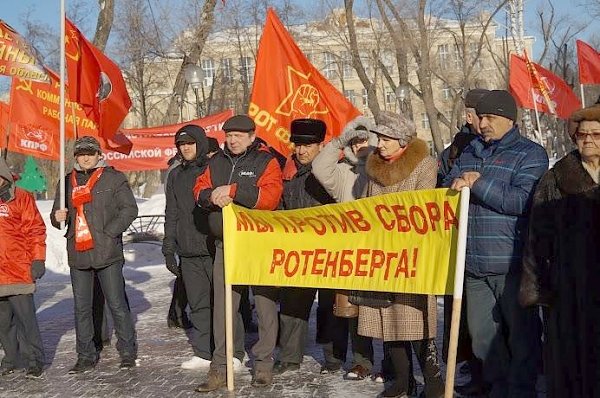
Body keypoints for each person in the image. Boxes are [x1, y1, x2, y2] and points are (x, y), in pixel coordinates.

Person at [444, 90, 548, 398]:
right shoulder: (470, 150)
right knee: (481, 338)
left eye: (489, 117)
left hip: (511, 264)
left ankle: (521, 391)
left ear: (508, 119)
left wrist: (477, 182)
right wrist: (458, 182)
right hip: (473, 265)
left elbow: (520, 200)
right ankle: (499, 389)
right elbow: (448, 186)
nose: (482, 123)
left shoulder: (530, 154)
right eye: (481, 117)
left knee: (521, 338)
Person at [357, 111, 444, 398]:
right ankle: (403, 380)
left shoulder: (424, 165)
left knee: (416, 318)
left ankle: (433, 381)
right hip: (381, 255)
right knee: (388, 319)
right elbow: (367, 206)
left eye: (385, 138)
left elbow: (423, 206)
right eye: (379, 138)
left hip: (411, 255)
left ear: (402, 140)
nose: (379, 144)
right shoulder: (374, 169)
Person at [193, 115, 283, 391]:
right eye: (229, 135)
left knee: (265, 305)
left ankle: (264, 364)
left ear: (252, 137)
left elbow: (270, 197)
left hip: (259, 243)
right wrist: (211, 196)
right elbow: (198, 189)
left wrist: (232, 190)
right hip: (226, 244)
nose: (232, 140)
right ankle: (220, 367)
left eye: (238, 136)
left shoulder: (265, 161)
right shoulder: (216, 161)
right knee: (224, 307)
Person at [519, 103, 600, 398]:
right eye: (582, 135)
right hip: (569, 288)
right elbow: (537, 237)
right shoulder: (556, 178)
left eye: (595, 134)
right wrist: (538, 287)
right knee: (571, 361)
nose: (588, 140)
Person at [51, 136, 139, 373]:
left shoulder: (113, 178)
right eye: (81, 154)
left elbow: (130, 209)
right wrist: (58, 217)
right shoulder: (66, 181)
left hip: (107, 252)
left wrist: (109, 232)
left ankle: (128, 351)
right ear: (76, 157)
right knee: (81, 307)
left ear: (99, 154)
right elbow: (56, 216)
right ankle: (85, 355)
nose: (85, 157)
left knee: (116, 303)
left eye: (90, 153)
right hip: (78, 254)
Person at [311, 116, 384, 382]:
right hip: (352, 252)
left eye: (363, 140)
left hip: (381, 248)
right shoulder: (343, 172)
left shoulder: (383, 167)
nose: (358, 146)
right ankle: (362, 361)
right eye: (354, 142)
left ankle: (390, 364)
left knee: (383, 308)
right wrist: (339, 141)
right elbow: (319, 167)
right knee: (355, 310)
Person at [275, 118, 346, 376]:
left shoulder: (333, 172)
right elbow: (281, 208)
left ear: (322, 145)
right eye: (298, 145)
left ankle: (332, 357)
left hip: (328, 251)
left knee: (329, 305)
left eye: (308, 145)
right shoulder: (288, 174)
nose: (301, 151)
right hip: (297, 251)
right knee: (292, 305)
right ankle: (289, 357)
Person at [438, 89, 488, 395]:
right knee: (470, 320)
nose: (467, 117)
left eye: (472, 112)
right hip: (461, 241)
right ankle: (473, 368)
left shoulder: (498, 146)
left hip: (491, 243)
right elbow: (445, 177)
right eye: (466, 112)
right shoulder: (458, 146)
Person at [162, 125, 214, 370]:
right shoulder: (175, 175)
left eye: (190, 143)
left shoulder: (213, 168)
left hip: (215, 246)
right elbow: (171, 212)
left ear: (200, 144)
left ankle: (232, 351)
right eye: (182, 144)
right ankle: (204, 352)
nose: (186, 148)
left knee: (224, 303)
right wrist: (168, 245)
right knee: (198, 303)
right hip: (188, 250)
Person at [0, 157, 46, 379]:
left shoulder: (21, 196)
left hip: (18, 269)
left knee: (26, 320)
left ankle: (34, 360)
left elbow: (35, 229)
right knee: (3, 322)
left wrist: (38, 259)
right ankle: (11, 359)